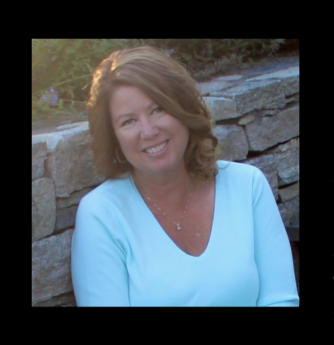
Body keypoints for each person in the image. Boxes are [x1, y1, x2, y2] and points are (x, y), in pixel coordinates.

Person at [71, 45, 299, 307]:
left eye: (157, 109)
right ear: (113, 137)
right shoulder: (101, 214)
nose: (148, 131)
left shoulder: (248, 186)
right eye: (128, 121)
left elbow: (280, 301)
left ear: (183, 109)